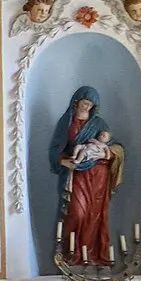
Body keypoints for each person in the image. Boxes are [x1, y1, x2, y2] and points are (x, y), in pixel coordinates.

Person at [50, 88, 121, 266]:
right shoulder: (66, 122)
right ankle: (72, 255)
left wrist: (105, 154)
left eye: (90, 104)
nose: (86, 105)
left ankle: (94, 257)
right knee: (77, 213)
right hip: (77, 174)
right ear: (77, 101)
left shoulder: (99, 123)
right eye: (84, 102)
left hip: (98, 175)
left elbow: (114, 147)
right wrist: (63, 161)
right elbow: (55, 149)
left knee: (96, 214)